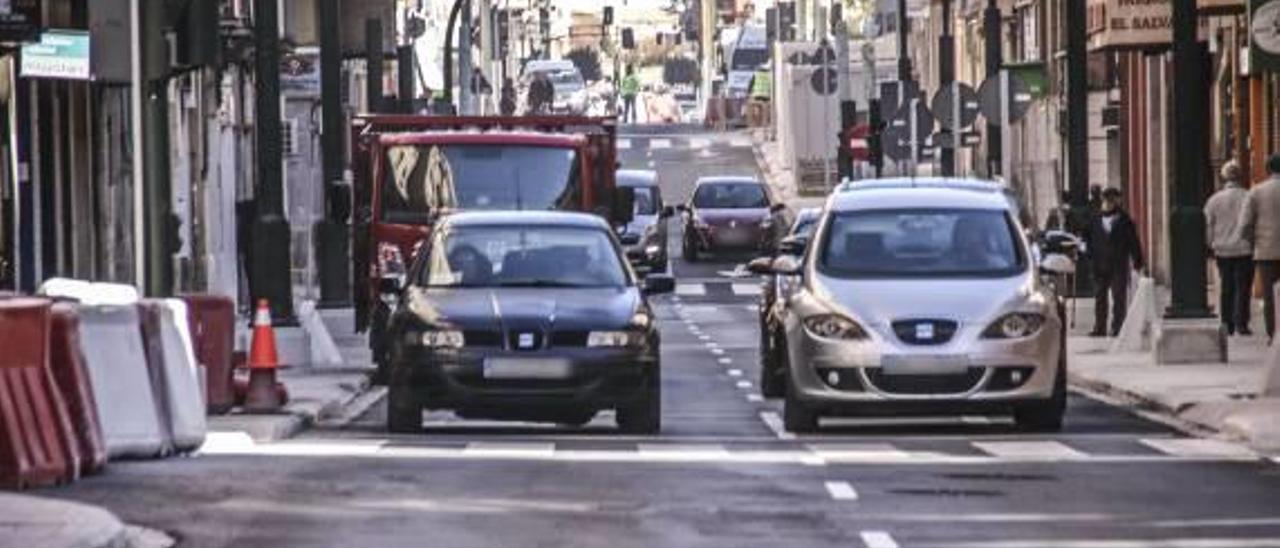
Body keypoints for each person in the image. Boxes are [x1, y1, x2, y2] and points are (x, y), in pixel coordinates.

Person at [1083, 187, 1145, 337]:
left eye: (1113, 199)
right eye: (1108, 199)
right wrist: (1088, 255)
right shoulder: (1094, 219)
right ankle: (1100, 327)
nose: (1110, 203)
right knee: (1100, 297)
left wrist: (1138, 261)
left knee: (1119, 296)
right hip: (1099, 264)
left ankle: (1117, 326)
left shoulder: (1125, 220)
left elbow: (1133, 242)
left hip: (1118, 264)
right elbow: (1087, 240)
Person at [1204, 160, 1254, 336]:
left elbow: (1209, 225)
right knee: (1243, 286)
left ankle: (1227, 323)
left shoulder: (1214, 200)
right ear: (1240, 176)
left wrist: (1211, 244)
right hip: (1244, 248)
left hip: (1223, 249)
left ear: (1223, 177)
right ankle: (1242, 322)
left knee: (1226, 286)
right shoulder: (1248, 196)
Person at [1239, 153, 1280, 343]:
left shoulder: (1257, 191)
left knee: (1270, 296)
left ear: (1267, 169)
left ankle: (1274, 334)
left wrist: (1253, 242)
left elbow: (1244, 224)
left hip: (1266, 251)